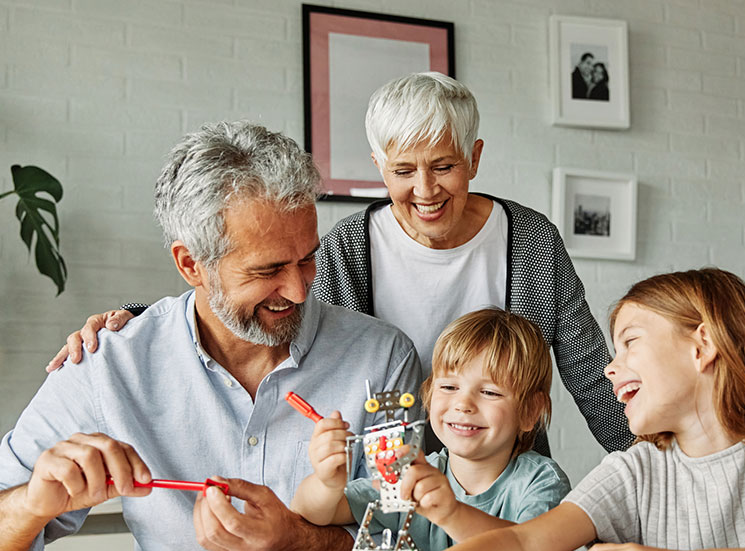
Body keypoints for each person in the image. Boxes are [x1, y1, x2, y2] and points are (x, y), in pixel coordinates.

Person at [49, 73, 631, 458]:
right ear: (378, 166)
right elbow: (269, 302)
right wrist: (137, 320)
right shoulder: (351, 244)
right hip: (389, 487)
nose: (424, 190)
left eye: (444, 166)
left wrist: (663, 465)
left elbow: (588, 372)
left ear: (474, 158)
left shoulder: (529, 241)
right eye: (403, 171)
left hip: (506, 479)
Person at [274, 268, 745, 551]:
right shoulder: (634, 470)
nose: (607, 365)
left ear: (702, 346)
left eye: (629, 341)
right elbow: (519, 547)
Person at [0, 121, 421, 551]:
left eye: (307, 259)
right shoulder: (109, 364)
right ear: (191, 265)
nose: (299, 291)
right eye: (267, 270)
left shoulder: (383, 359)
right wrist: (31, 504)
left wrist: (293, 538)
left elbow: (409, 543)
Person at [292, 308, 570, 551]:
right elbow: (313, 513)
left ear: (530, 411)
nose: (463, 404)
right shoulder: (413, 477)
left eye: (490, 392)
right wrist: (327, 483)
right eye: (449, 386)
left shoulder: (541, 482)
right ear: (428, 396)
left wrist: (451, 513)